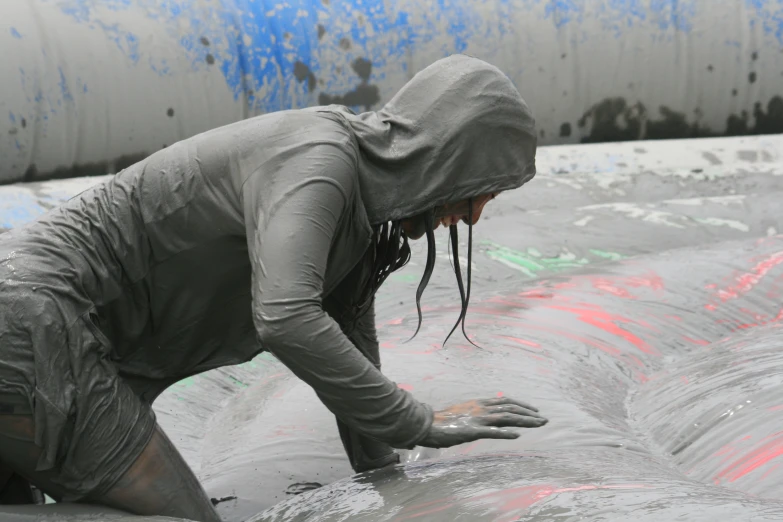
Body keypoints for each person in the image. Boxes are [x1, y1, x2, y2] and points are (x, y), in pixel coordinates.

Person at [0, 54, 542, 521]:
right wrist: (417, 421)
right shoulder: (320, 159)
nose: (473, 215)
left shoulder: (358, 217)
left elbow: (351, 339)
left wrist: (387, 475)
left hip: (33, 325)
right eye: (482, 190)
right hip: (30, 322)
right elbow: (287, 318)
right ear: (447, 155)